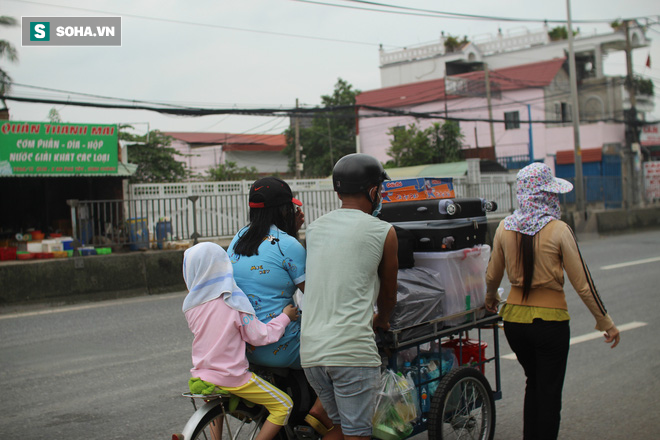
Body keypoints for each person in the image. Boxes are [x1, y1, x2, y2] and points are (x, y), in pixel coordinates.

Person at [485, 162, 620, 440]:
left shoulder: (503, 228)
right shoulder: (559, 230)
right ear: (546, 194)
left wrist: (490, 300)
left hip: (514, 325)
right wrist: (604, 321)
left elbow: (492, 276)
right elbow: (583, 284)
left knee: (533, 383)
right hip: (550, 325)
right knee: (549, 393)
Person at [300, 153, 398, 440]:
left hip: (312, 352)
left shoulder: (315, 228)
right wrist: (383, 319)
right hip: (351, 353)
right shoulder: (384, 231)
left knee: (338, 427)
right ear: (373, 191)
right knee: (358, 434)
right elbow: (389, 295)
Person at [228, 176, 332, 435]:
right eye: (292, 208)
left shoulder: (238, 238)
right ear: (284, 210)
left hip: (243, 345)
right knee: (339, 352)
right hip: (279, 347)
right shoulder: (289, 244)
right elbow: (317, 297)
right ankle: (320, 412)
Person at [182, 241, 299, 440]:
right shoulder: (233, 301)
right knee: (283, 405)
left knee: (217, 401)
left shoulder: (191, 307)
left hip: (203, 375)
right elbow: (260, 335)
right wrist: (285, 316)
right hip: (232, 376)